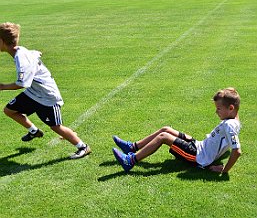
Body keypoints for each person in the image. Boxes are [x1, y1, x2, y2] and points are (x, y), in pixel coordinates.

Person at [0, 22, 91, 159]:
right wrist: (36, 53)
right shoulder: (20, 51)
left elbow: (23, 83)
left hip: (47, 97)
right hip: (33, 93)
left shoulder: (20, 58)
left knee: (56, 127)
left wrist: (3, 87)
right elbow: (33, 54)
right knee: (9, 110)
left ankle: (83, 147)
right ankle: (34, 131)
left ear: (2, 41)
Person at [112, 88, 241, 174]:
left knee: (163, 136)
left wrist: (224, 170)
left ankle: (130, 161)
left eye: (219, 108)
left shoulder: (230, 126)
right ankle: (132, 147)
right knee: (166, 128)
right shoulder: (233, 118)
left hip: (197, 156)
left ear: (230, 108)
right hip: (199, 145)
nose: (216, 112)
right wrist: (231, 92)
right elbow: (235, 110)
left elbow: (237, 151)